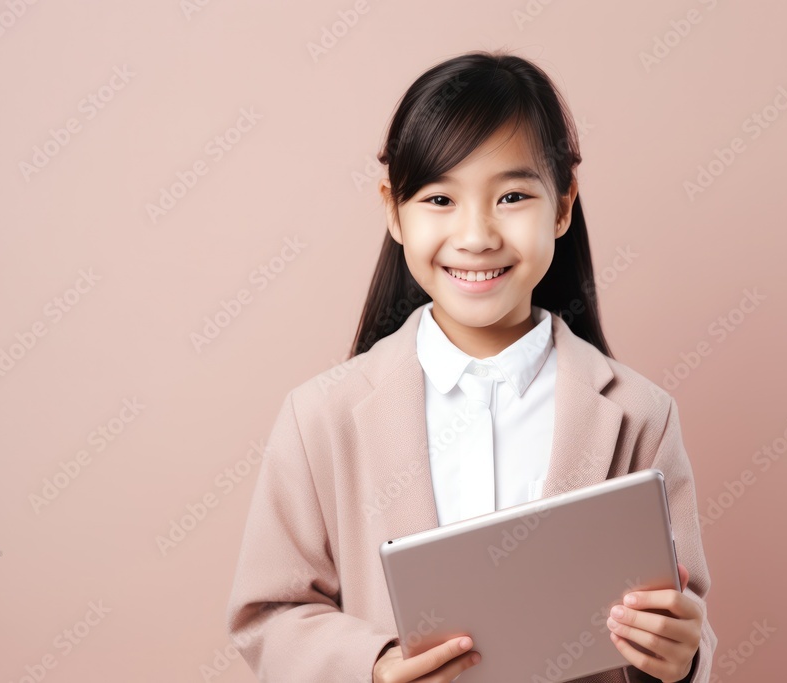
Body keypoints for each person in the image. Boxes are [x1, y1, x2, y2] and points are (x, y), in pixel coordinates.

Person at [226, 50, 717, 683]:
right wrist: (373, 667)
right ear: (393, 211)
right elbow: (269, 616)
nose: (477, 234)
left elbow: (685, 618)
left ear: (563, 206)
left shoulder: (641, 416)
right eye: (439, 199)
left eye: (512, 195)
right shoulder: (322, 416)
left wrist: (679, 658)